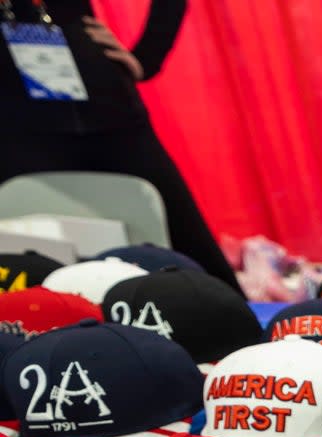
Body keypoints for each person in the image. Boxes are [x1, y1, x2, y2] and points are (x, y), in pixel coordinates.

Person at [0, 0, 242, 292]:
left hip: (101, 100)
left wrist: (147, 57)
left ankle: (234, 326)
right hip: (13, 116)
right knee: (21, 256)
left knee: (183, 240)